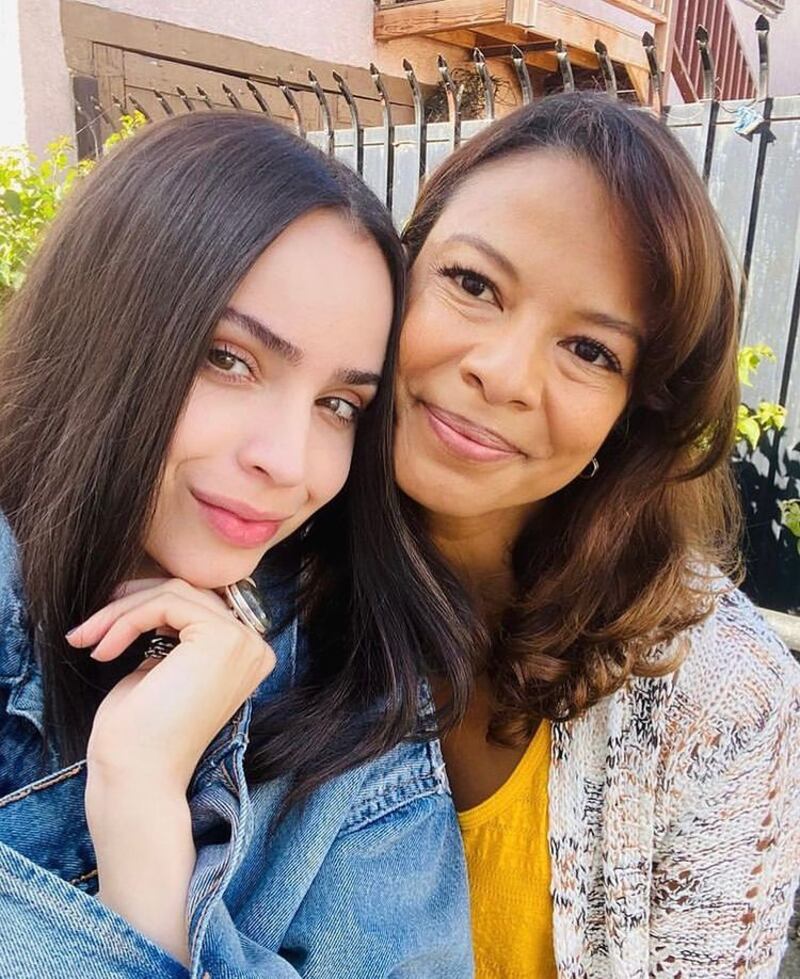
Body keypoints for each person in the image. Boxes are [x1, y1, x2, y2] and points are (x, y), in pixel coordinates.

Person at [0, 112, 473, 977]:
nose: (288, 462)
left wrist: (142, 812)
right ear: (100, 327)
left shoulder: (357, 708)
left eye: (339, 405)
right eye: (230, 358)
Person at [393, 92, 800, 977]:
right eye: (473, 284)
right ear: (402, 267)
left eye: (590, 351)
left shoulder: (721, 696)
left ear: (633, 416)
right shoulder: (255, 560)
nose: (502, 373)